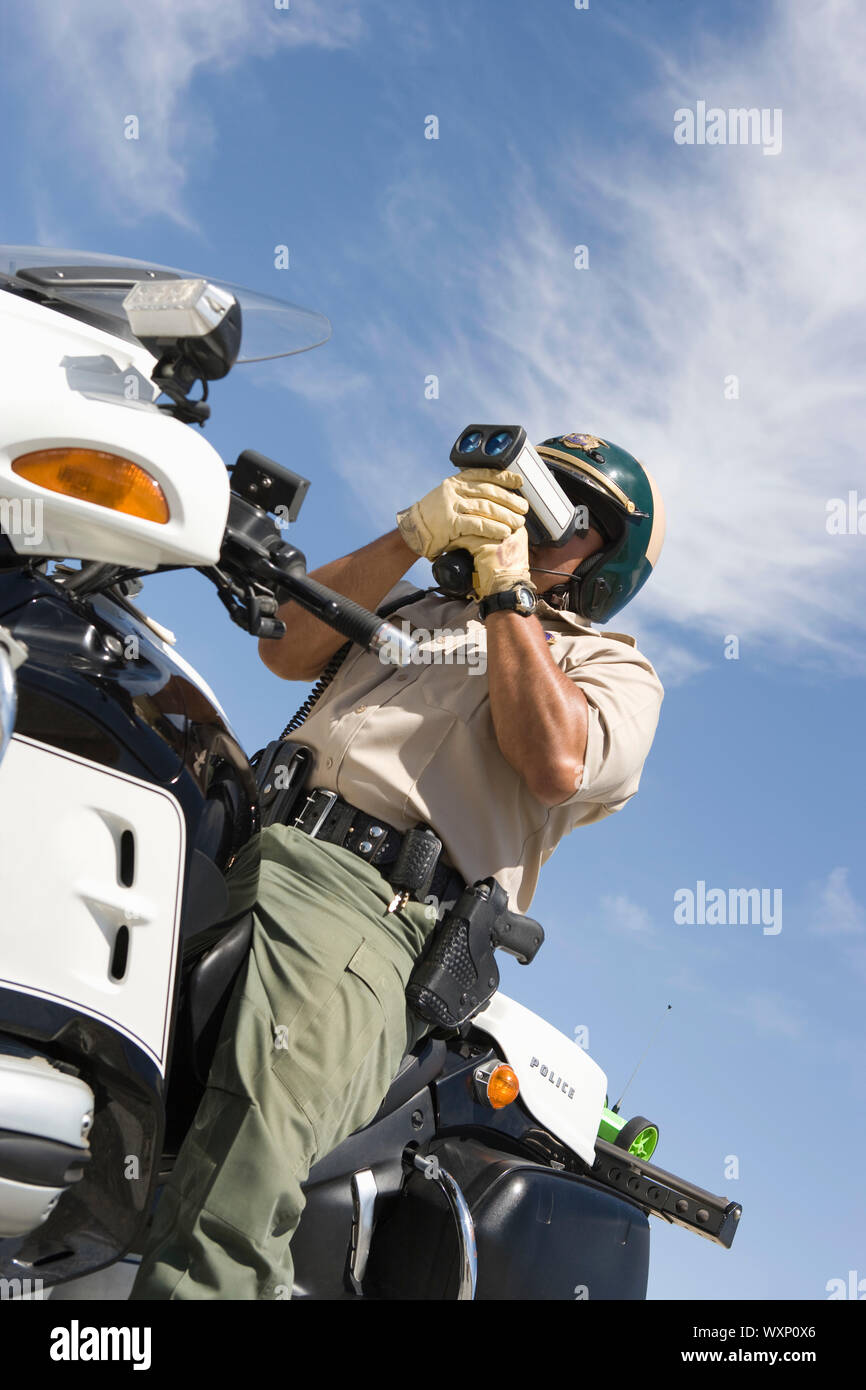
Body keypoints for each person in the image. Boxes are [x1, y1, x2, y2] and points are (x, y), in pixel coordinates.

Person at [130, 430, 666, 1299]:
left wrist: (509, 597)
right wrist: (408, 537)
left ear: (605, 566)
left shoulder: (605, 665)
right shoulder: (416, 611)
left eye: (568, 517)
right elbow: (287, 647)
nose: (530, 518)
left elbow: (555, 761)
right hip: (245, 840)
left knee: (244, 1165)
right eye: (528, 495)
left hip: (368, 913)